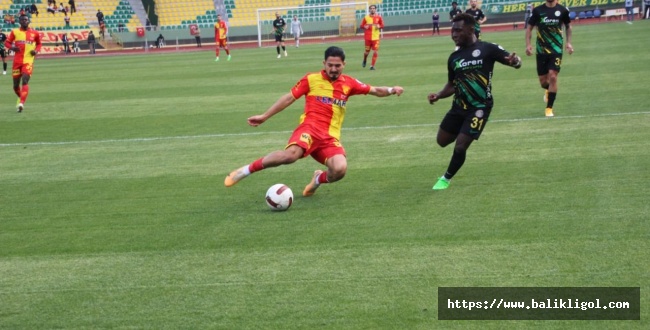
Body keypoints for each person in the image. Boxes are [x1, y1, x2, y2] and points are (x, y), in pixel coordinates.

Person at [224, 46, 404, 197]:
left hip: (329, 138)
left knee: (340, 170)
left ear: (344, 65)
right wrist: (265, 116)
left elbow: (374, 90)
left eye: (337, 66)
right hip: (309, 130)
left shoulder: (349, 83)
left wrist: (391, 89)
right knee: (290, 156)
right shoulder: (311, 79)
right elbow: (289, 98)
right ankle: (245, 170)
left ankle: (317, 179)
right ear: (324, 64)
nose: (333, 69)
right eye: (330, 65)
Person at [427, 13, 521, 190]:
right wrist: (439, 95)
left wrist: (515, 61)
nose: (453, 34)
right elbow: (452, 84)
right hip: (458, 107)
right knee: (441, 141)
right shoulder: (454, 58)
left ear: (471, 29)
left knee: (460, 146)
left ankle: (445, 179)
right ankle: (466, 129)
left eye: (458, 30)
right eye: (452, 31)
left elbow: (515, 62)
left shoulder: (488, 49)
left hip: (480, 107)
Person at [525, 0, 573, 117]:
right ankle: (548, 90)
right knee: (543, 82)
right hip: (541, 51)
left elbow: (568, 26)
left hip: (556, 50)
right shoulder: (538, 11)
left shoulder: (562, 10)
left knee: (553, 76)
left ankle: (549, 108)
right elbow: (529, 28)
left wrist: (568, 43)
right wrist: (528, 45)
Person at [5, 15, 42, 113]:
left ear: (29, 21)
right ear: (20, 22)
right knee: (15, 86)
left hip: (28, 61)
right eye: (22, 20)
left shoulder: (35, 33)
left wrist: (36, 51)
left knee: (25, 81)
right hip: (17, 62)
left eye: (26, 20)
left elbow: (39, 44)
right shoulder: (15, 32)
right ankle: (21, 97)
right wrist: (12, 48)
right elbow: (7, 43)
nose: (25, 21)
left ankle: (21, 103)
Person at [360, 4, 383, 70]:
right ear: (369, 10)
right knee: (366, 52)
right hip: (368, 38)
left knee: (375, 51)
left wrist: (379, 26)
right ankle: (364, 60)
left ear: (375, 9)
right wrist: (364, 26)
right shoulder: (366, 17)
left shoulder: (379, 17)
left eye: (373, 8)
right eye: (371, 8)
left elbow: (382, 25)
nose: (372, 9)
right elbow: (361, 25)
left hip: (376, 38)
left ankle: (372, 66)